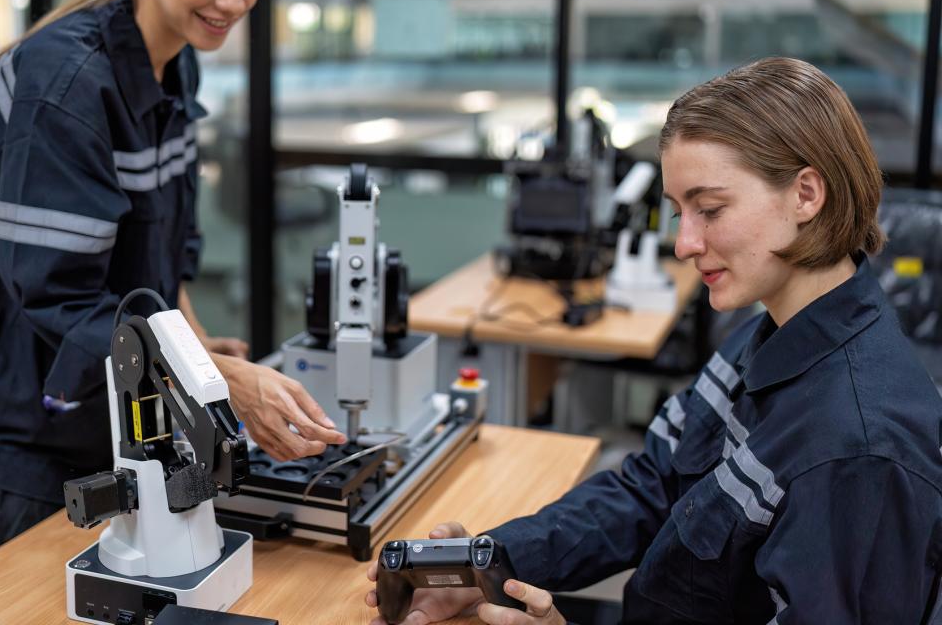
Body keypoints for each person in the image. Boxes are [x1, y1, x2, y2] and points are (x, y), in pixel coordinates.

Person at [364, 57, 942, 624]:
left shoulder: (858, 450)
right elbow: (653, 486)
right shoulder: (762, 335)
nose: (685, 244)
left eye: (710, 209)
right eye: (677, 213)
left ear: (806, 195)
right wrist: (489, 566)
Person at [0, 0, 345, 563]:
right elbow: (61, 298)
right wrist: (224, 385)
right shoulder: (68, 85)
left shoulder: (174, 58)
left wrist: (201, 351)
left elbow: (156, 257)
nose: (234, 3)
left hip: (114, 412)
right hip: (22, 437)